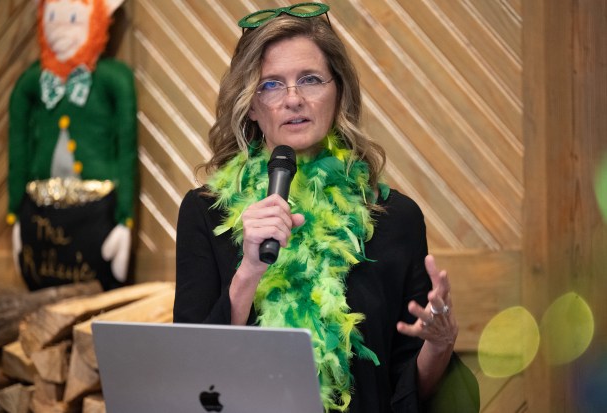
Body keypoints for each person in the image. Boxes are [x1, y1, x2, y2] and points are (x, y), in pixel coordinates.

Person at [174, 3, 479, 412]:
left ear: (339, 93)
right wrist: (248, 272)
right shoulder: (205, 213)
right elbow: (190, 373)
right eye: (271, 85)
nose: (294, 99)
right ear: (249, 104)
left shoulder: (394, 219)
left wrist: (439, 346)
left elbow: (409, 390)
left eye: (311, 79)